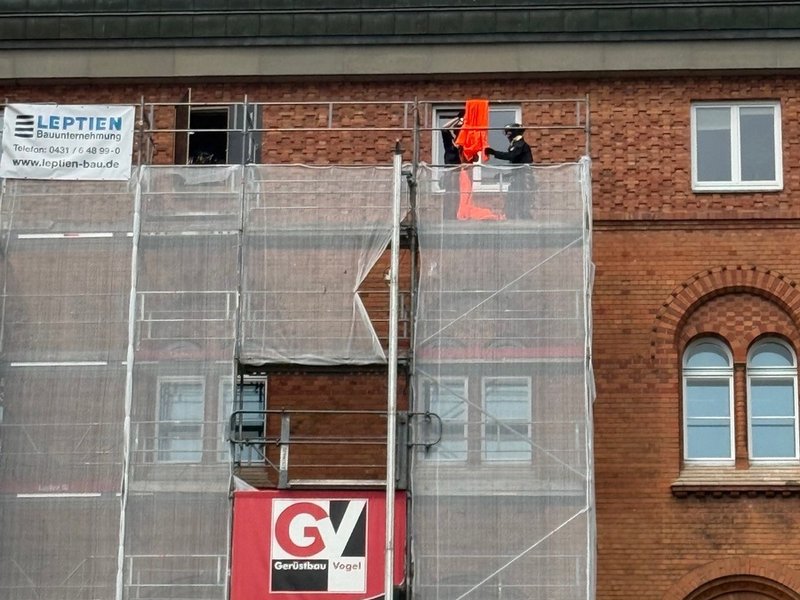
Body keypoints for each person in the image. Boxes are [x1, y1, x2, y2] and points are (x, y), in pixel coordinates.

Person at [485, 123, 534, 220]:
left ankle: (527, 224)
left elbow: (511, 156)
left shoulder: (520, 144)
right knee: (513, 203)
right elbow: (517, 167)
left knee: (521, 205)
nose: (508, 135)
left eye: (509, 133)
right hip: (519, 177)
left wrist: (494, 152)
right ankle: (513, 221)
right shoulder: (517, 144)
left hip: (523, 179)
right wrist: (505, 175)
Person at [439, 110, 465, 219]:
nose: (458, 131)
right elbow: (444, 128)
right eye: (457, 129)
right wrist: (457, 118)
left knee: (457, 193)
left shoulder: (463, 143)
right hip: (450, 170)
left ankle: (455, 215)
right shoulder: (449, 139)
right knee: (449, 193)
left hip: (458, 171)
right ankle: (447, 216)